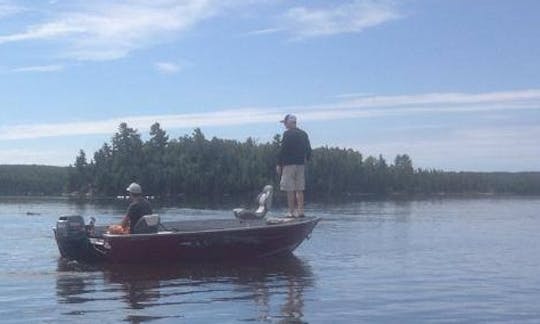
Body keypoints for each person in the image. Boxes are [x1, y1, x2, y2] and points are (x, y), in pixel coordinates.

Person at [276, 114, 311, 217]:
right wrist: (307, 160)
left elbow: (283, 150)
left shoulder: (287, 134)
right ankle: (300, 211)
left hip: (288, 165)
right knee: (299, 189)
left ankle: (291, 212)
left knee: (289, 189)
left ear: (289, 123)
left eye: (285, 123)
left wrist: (279, 164)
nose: (285, 125)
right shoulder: (304, 134)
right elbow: (308, 149)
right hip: (300, 165)